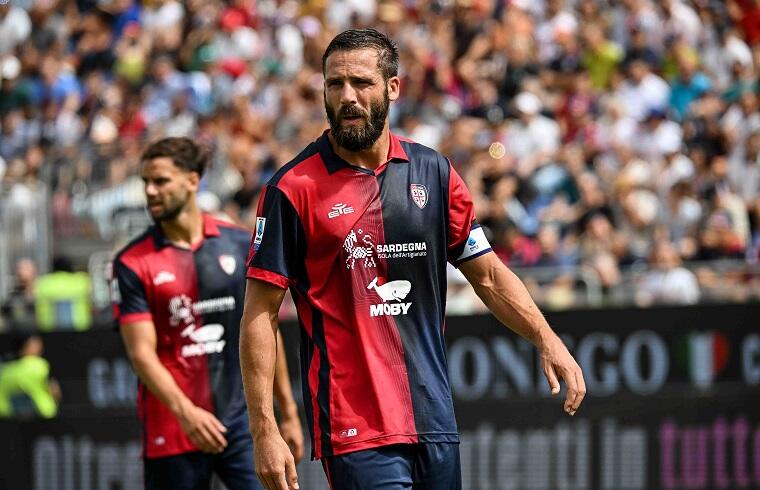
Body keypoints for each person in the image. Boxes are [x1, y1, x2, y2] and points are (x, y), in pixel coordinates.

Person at [240, 29, 586, 490]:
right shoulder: (292, 188)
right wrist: (264, 429)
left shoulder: (434, 173)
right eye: (334, 84)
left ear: (392, 87)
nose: (347, 97)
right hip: (355, 429)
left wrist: (547, 338)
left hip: (433, 418)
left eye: (361, 83)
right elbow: (259, 314)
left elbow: (487, 275)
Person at [111, 137, 303, 490]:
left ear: (192, 181)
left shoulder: (238, 242)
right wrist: (187, 414)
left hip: (242, 426)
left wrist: (287, 412)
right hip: (173, 430)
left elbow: (265, 329)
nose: (150, 191)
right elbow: (141, 354)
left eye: (161, 180)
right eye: (145, 183)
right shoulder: (131, 262)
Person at [0, 333, 60, 419]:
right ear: (24, 347)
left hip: (7, 416)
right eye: (35, 345)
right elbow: (54, 391)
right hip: (42, 416)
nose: (40, 348)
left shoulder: (5, 370)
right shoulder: (41, 366)